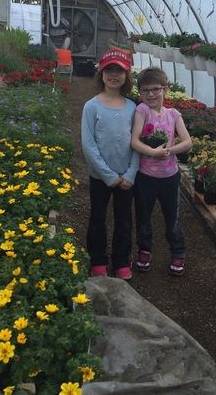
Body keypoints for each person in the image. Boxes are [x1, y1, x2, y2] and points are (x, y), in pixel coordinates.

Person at [81, 47, 139, 280]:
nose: (114, 75)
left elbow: (136, 143)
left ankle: (122, 261)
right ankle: (98, 260)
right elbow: (88, 144)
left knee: (124, 220)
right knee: (98, 218)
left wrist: (131, 174)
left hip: (126, 178)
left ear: (127, 75)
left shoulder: (133, 107)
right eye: (109, 70)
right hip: (100, 177)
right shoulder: (92, 106)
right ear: (101, 74)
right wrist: (108, 175)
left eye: (119, 71)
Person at [131, 67, 192, 276]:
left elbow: (188, 142)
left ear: (165, 89)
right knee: (143, 217)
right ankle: (144, 250)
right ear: (140, 93)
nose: (151, 94)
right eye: (145, 90)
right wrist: (152, 152)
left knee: (172, 217)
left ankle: (178, 252)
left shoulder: (173, 114)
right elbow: (134, 141)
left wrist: (169, 151)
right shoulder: (142, 110)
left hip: (170, 176)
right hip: (145, 176)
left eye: (155, 89)